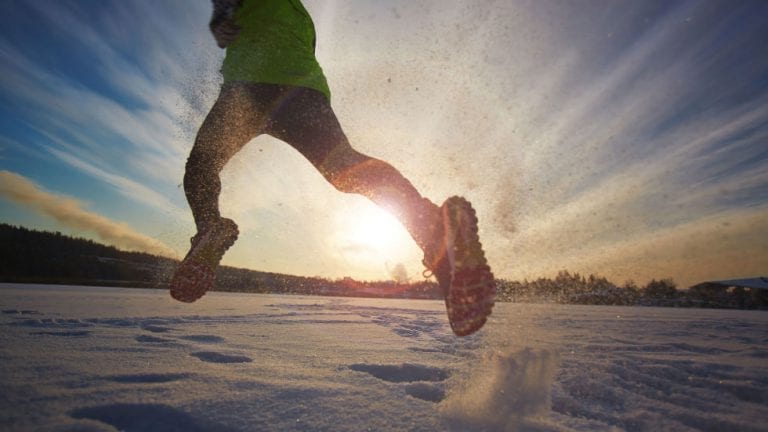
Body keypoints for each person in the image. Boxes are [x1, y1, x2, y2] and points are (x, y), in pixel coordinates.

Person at [170, 0, 495, 336]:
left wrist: (220, 19)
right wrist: (222, 21)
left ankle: (209, 226)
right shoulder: (297, 15)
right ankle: (437, 236)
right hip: (301, 85)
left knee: (201, 166)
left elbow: (226, 11)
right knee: (344, 168)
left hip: (249, 86)